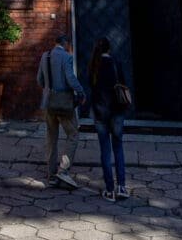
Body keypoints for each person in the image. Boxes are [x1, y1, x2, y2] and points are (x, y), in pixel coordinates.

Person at [37, 34, 86, 188]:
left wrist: (48, 90)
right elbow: (70, 78)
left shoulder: (45, 56)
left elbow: (39, 79)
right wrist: (81, 91)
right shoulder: (67, 57)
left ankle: (51, 175)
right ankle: (63, 169)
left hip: (49, 102)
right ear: (65, 44)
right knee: (73, 134)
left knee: (51, 137)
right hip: (64, 103)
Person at [89, 36, 129, 201]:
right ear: (109, 49)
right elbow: (124, 83)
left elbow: (91, 89)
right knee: (118, 148)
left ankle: (109, 189)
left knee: (105, 151)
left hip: (100, 113)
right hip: (117, 112)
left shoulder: (93, 66)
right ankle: (121, 186)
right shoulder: (116, 62)